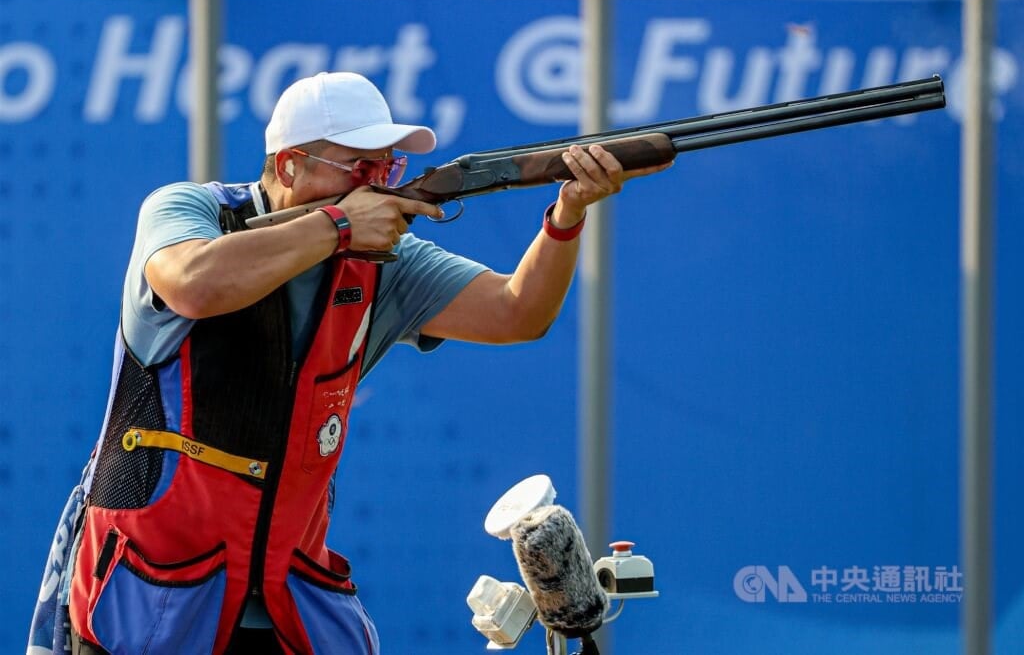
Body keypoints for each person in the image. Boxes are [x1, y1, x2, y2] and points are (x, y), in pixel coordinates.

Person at [27, 71, 670, 655]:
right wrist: (338, 226)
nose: (378, 185)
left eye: (385, 167)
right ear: (288, 164)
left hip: (288, 605)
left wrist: (566, 216)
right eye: (357, 167)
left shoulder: (381, 262)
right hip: (151, 601)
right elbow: (193, 283)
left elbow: (516, 312)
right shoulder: (190, 209)